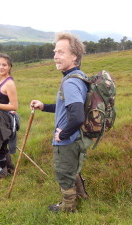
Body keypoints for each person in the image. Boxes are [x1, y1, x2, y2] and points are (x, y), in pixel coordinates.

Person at [30, 32, 93, 213]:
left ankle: (68, 208)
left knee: (64, 173)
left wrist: (62, 134)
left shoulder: (70, 83)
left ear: (74, 56)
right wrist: (44, 106)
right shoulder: (77, 76)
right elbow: (68, 108)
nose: (56, 56)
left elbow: (78, 116)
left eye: (61, 52)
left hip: (67, 140)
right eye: (55, 52)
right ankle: (82, 196)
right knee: (73, 169)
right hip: (76, 138)